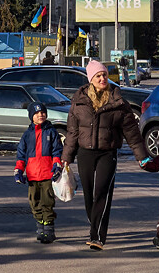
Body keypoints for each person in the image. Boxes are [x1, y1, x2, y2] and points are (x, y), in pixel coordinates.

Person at [64, 59, 151, 250]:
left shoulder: (118, 101)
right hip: (85, 152)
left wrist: (141, 156)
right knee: (88, 194)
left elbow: (132, 132)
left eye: (104, 74)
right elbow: (72, 132)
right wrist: (66, 158)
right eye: (98, 75)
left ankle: (97, 236)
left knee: (102, 192)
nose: (103, 78)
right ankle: (94, 225)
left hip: (107, 153)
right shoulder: (79, 101)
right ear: (91, 79)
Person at [15, 101, 64, 244]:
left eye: (42, 112)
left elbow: (57, 150)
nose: (40, 115)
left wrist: (57, 165)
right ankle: (40, 228)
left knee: (47, 202)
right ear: (31, 117)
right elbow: (21, 155)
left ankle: (49, 230)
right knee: (34, 202)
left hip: (47, 175)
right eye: (36, 113)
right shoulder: (27, 135)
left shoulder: (51, 132)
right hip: (32, 175)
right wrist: (19, 170)